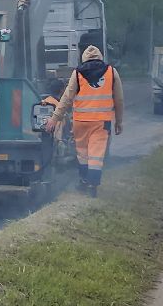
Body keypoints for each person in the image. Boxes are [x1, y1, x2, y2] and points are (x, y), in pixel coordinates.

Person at [44, 44, 124, 196]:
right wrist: (119, 121)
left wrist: (54, 118)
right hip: (102, 122)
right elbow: (119, 99)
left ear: (84, 59)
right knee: (96, 154)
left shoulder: (77, 73)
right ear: (100, 57)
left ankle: (83, 181)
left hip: (80, 121)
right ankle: (92, 186)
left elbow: (66, 98)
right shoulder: (111, 72)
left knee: (82, 153)